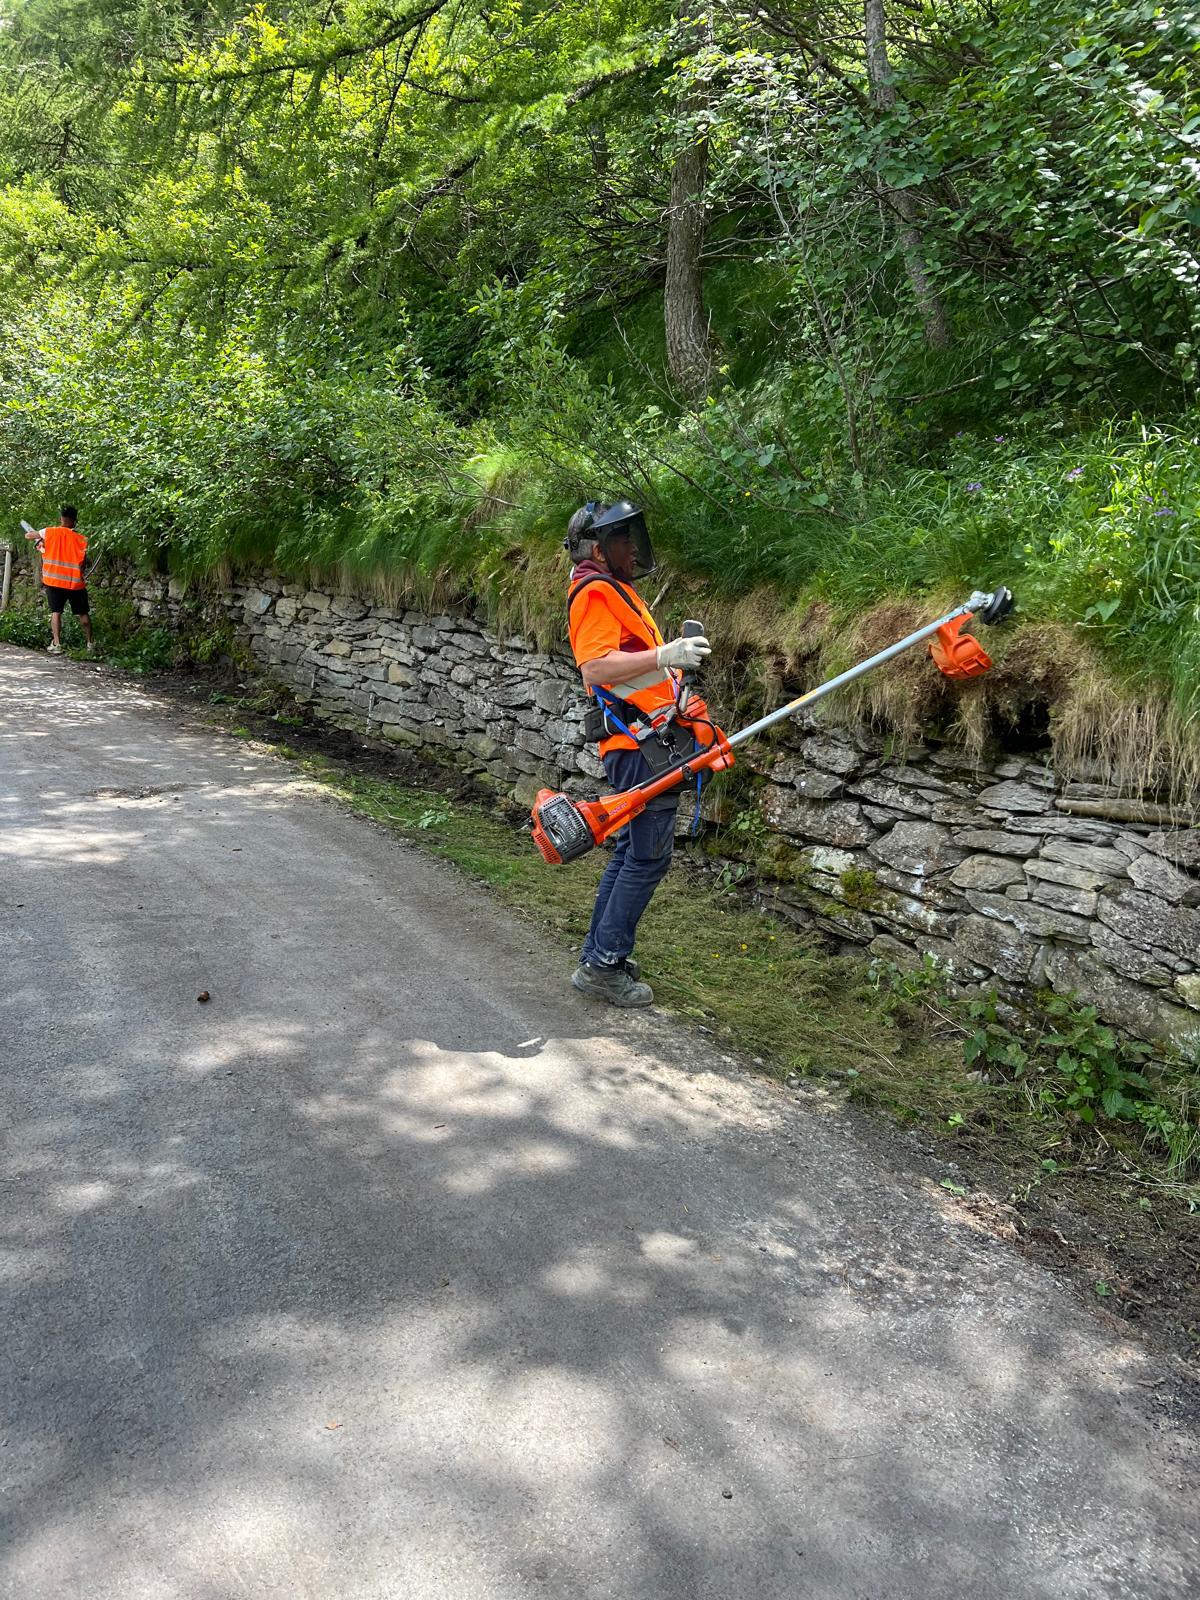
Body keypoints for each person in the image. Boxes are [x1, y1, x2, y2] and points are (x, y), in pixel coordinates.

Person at [565, 499, 717, 1007]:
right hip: (638, 745)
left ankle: (599, 954)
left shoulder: (618, 592)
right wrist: (665, 655)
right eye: (622, 537)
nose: (633, 546)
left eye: (633, 535)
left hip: (647, 739)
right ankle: (603, 966)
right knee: (648, 858)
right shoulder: (595, 594)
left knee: (633, 852)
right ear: (597, 548)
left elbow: (637, 674)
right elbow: (596, 669)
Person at [23, 505, 95, 655]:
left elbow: (29, 536)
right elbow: (83, 563)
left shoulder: (49, 532)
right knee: (83, 613)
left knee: (56, 612)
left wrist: (40, 539)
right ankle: (90, 644)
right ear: (75, 521)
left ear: (61, 518)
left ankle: (57, 644)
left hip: (54, 582)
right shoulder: (82, 539)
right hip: (75, 583)